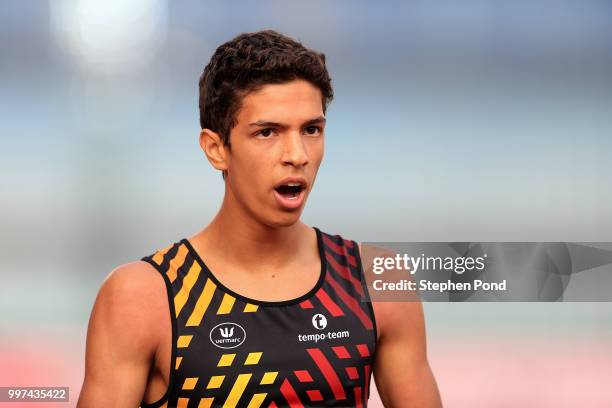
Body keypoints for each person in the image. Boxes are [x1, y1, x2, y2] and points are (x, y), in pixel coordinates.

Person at [77, 29, 442, 408]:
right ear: (216, 149)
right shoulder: (142, 297)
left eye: (311, 130)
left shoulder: (376, 279)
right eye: (267, 132)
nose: (297, 154)